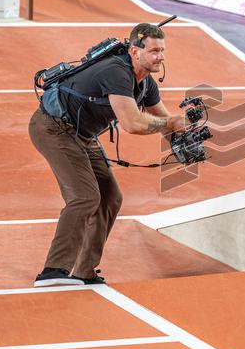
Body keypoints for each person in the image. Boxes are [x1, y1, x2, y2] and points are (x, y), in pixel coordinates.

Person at [28, 22, 185, 287]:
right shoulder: (116, 72)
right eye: (154, 51)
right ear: (135, 51)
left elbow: (165, 122)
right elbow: (133, 124)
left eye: (162, 51)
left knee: (110, 198)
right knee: (84, 197)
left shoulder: (146, 84)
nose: (160, 57)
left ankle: (84, 271)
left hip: (83, 134)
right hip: (53, 128)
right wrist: (173, 124)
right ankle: (53, 271)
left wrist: (183, 142)